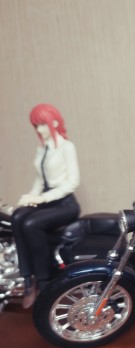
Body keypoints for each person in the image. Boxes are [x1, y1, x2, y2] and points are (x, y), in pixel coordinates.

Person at [12, 103, 80, 308]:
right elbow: (39, 179)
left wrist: (42, 198)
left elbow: (72, 182)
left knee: (31, 224)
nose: (39, 130)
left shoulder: (67, 147)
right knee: (17, 216)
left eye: (42, 124)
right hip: (47, 200)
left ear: (55, 123)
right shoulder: (42, 148)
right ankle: (28, 280)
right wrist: (32, 196)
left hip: (65, 204)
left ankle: (43, 281)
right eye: (36, 126)